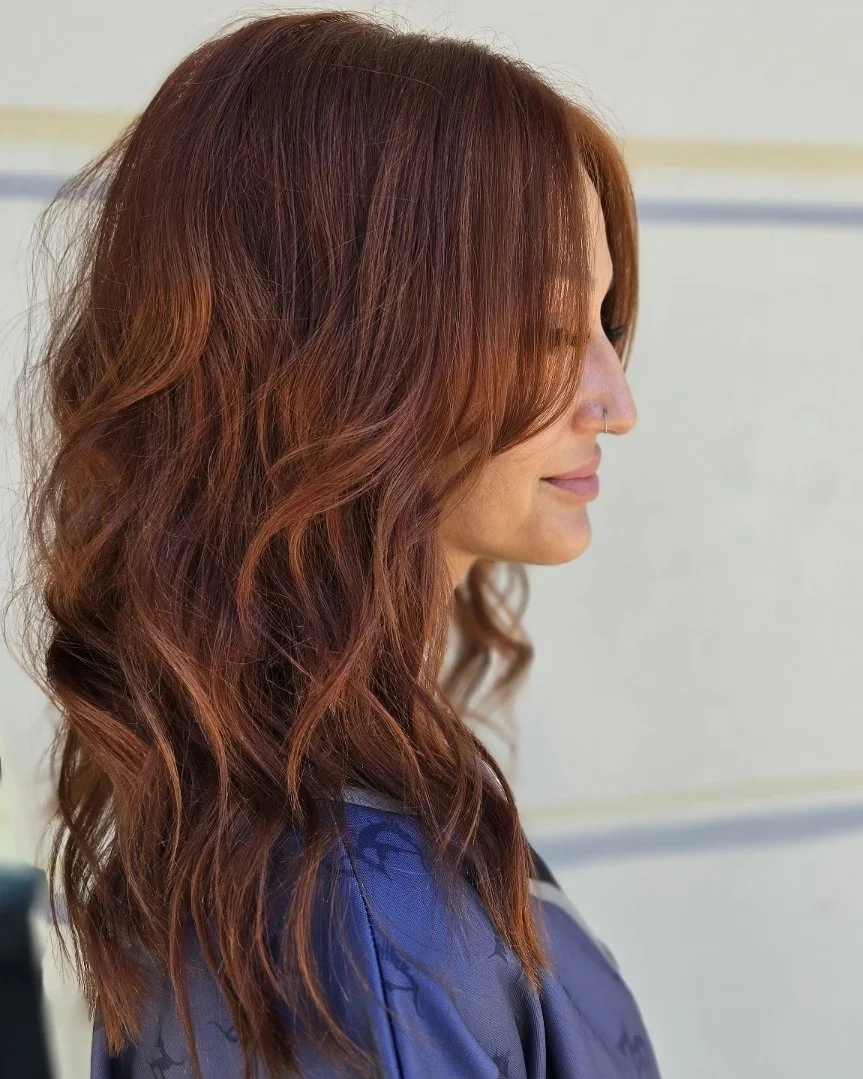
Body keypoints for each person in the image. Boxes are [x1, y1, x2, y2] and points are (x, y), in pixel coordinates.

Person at [5, 9, 656, 1078]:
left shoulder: (307, 828)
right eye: (546, 331)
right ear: (348, 364)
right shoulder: (354, 921)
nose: (614, 400)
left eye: (605, 320)